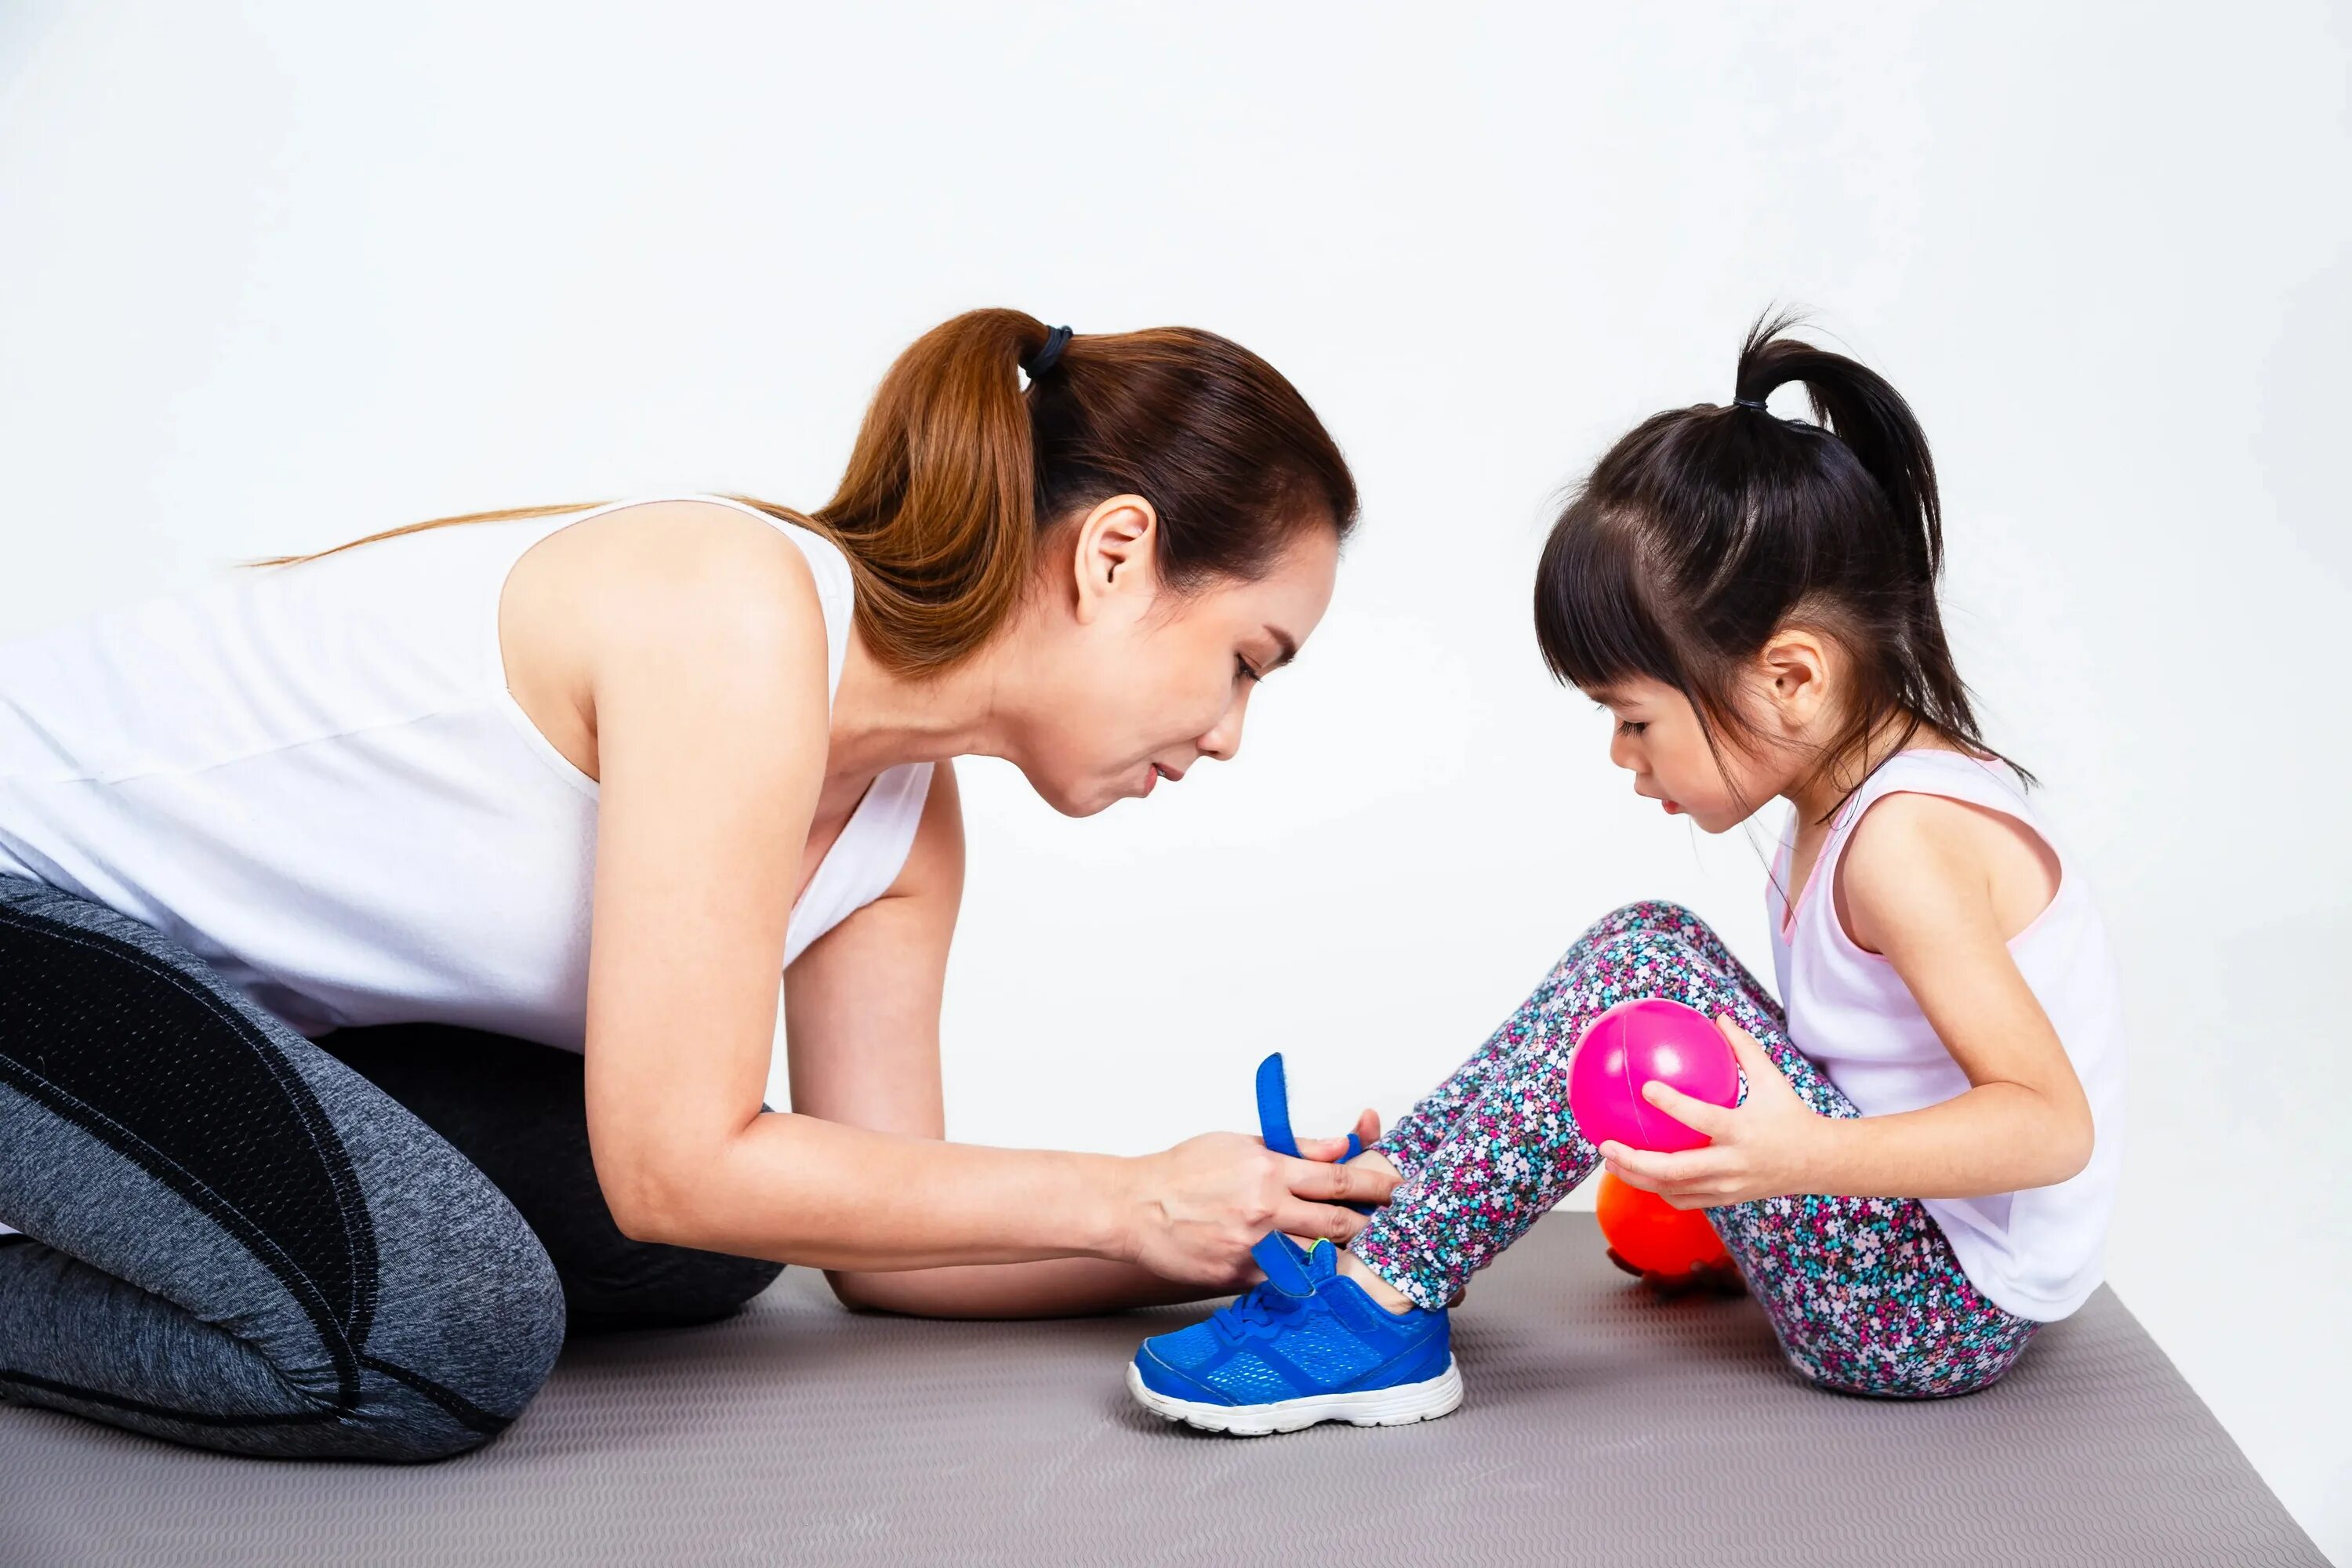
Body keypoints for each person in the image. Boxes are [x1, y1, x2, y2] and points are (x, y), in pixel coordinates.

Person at [0, 309, 1399, 1461]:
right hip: (25, 900)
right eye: (1245, 661)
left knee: (694, 1255)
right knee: (446, 1331)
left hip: (183, 992)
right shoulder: (731, 611)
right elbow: (682, 1159)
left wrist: (1229, 1228)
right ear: (1115, 554)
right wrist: (1125, 1197)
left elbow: (891, 1245)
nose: (1227, 734)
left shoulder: (905, 827)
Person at [1127, 318, 2124, 1435]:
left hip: (1934, 1319)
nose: (1622, 754)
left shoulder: (1906, 841)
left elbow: (2048, 1126)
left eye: (1635, 717)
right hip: (1926, 1269)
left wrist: (1806, 1156)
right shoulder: (1857, 799)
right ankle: (1375, 1214)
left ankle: (1373, 1303)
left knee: (1642, 967)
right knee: (1645, 948)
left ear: (1789, 677)